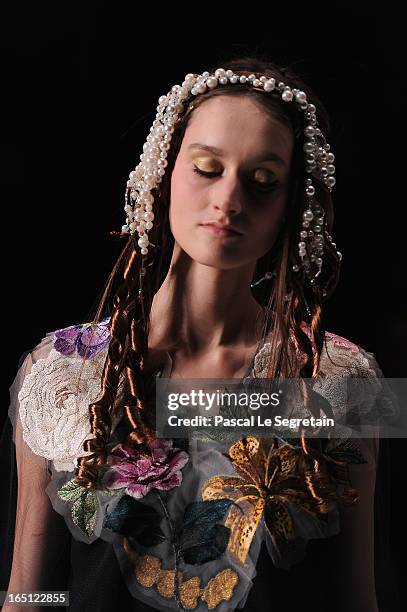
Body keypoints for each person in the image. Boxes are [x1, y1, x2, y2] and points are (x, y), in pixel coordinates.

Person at [0, 56, 397, 612]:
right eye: (207, 168)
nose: (229, 200)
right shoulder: (62, 371)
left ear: (291, 207)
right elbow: (29, 592)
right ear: (165, 172)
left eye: (263, 182)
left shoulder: (344, 380)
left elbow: (357, 595)